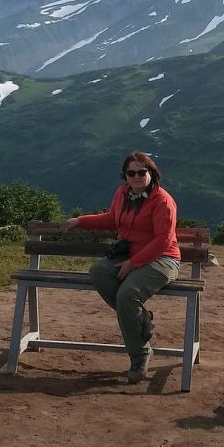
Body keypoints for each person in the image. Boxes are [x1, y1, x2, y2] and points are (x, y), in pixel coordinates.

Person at [65, 151, 181, 383]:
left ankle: (140, 357)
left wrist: (133, 263)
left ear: (151, 173)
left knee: (127, 295)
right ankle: (142, 320)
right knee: (98, 271)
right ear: (125, 176)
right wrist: (81, 221)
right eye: (131, 172)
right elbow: (111, 218)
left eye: (141, 172)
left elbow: (163, 241)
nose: (136, 176)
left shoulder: (162, 201)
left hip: (163, 259)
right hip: (130, 255)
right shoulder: (122, 194)